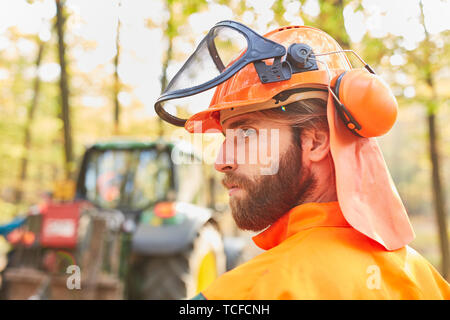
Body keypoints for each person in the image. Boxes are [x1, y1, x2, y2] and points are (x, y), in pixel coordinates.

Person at [155, 20, 450, 299]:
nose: (221, 161)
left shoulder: (248, 293)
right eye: (226, 138)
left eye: (245, 133)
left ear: (315, 141)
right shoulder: (425, 280)